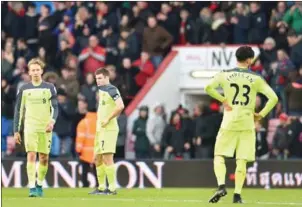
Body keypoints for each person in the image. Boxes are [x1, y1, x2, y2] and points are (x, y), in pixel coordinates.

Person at [205, 46, 278, 203]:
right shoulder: (256, 78)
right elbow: (274, 98)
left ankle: (221, 186)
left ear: (236, 58)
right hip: (247, 122)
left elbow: (208, 88)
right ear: (249, 60)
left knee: (219, 155)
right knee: (242, 160)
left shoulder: (225, 74)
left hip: (229, 121)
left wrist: (223, 100)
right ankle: (237, 195)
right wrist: (260, 115)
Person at [13, 58, 58, 197]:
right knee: (31, 155)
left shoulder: (50, 87)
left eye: (38, 69)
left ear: (42, 71)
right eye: (33, 70)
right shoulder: (24, 89)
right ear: (29, 72)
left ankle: (39, 184)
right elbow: (18, 110)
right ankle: (32, 187)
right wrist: (16, 130)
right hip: (30, 126)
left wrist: (52, 121)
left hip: (45, 127)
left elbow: (55, 107)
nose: (35, 72)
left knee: (44, 158)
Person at [89, 68, 124, 195]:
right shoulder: (101, 91)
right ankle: (101, 187)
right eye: (96, 78)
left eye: (100, 78)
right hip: (100, 129)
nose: (97, 81)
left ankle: (112, 188)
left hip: (109, 128)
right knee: (97, 158)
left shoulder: (111, 89)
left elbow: (120, 106)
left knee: (107, 158)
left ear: (106, 77)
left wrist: (108, 119)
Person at [76, 107, 98, 187]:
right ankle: (99, 186)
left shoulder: (83, 123)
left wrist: (78, 150)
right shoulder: (100, 122)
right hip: (97, 151)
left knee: (85, 171)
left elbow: (80, 137)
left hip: (86, 152)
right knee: (98, 171)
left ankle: (85, 185)